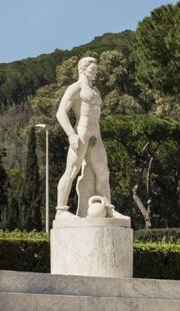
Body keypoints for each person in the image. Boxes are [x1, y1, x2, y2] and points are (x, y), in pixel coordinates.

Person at [55, 56, 127, 219]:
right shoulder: (76, 88)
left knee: (103, 172)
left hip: (96, 134)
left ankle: (108, 209)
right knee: (71, 171)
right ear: (83, 69)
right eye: (92, 69)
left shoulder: (96, 91)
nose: (95, 72)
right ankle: (61, 211)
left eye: (96, 69)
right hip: (81, 133)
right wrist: (71, 135)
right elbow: (60, 113)